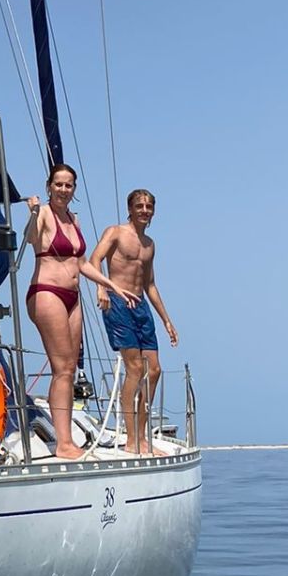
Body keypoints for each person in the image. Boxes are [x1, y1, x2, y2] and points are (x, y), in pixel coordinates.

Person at [25, 164, 138, 459]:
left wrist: (111, 285)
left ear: (74, 190)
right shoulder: (45, 214)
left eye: (69, 185)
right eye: (59, 184)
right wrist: (34, 213)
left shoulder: (73, 219)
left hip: (73, 297)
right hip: (47, 292)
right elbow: (31, 240)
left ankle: (66, 439)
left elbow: (83, 263)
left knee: (70, 368)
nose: (64, 190)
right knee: (61, 368)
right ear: (49, 186)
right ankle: (63, 443)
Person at [89, 188, 179, 455]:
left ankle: (141, 437)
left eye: (149, 206)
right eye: (139, 206)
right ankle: (131, 440)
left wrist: (166, 320)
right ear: (129, 209)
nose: (144, 210)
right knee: (135, 370)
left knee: (154, 371)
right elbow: (94, 260)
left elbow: (150, 283)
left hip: (140, 306)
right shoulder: (115, 232)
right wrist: (101, 288)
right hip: (117, 301)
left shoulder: (149, 244)